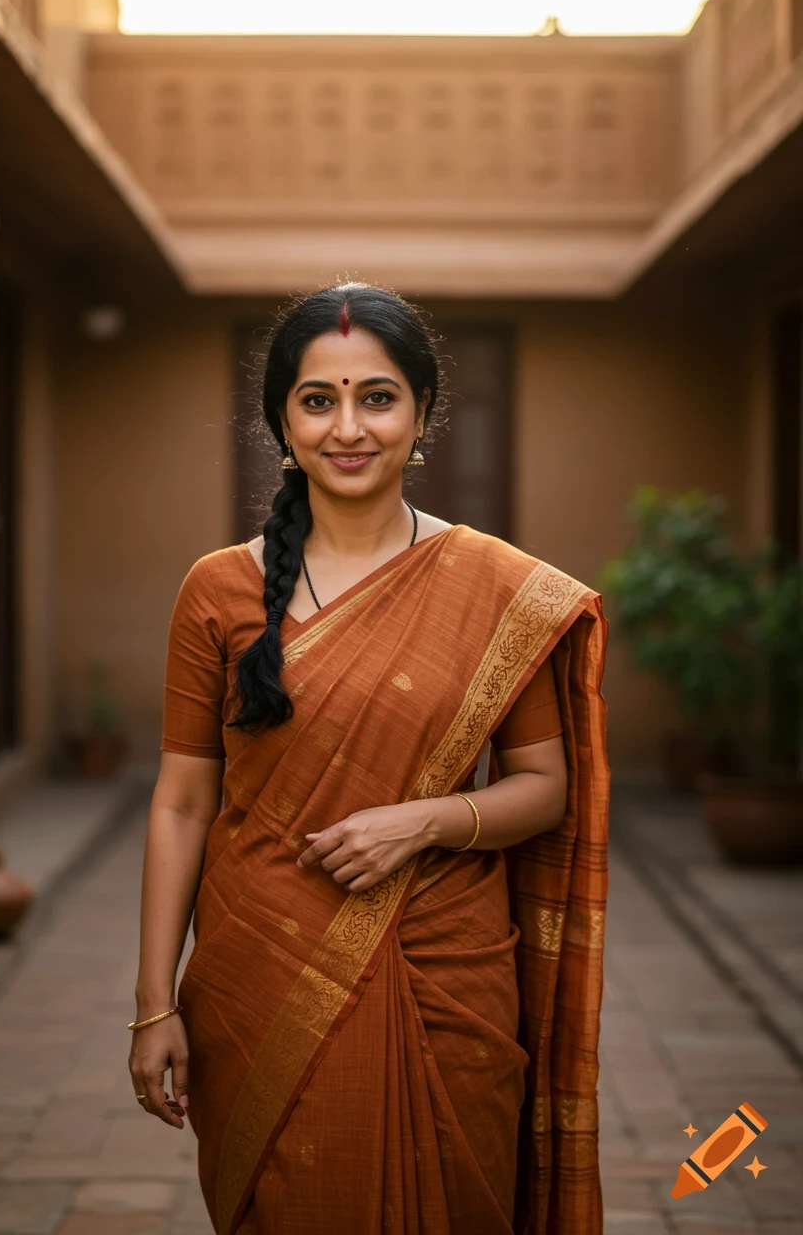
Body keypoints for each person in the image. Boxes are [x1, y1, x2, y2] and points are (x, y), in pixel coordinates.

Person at [129, 283, 610, 1235]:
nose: (349, 427)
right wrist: (153, 1006)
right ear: (282, 419)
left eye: (378, 397)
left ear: (422, 414)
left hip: (448, 975)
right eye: (319, 400)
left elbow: (544, 789)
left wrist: (422, 820)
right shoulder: (217, 590)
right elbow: (182, 802)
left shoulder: (499, 587)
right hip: (254, 970)